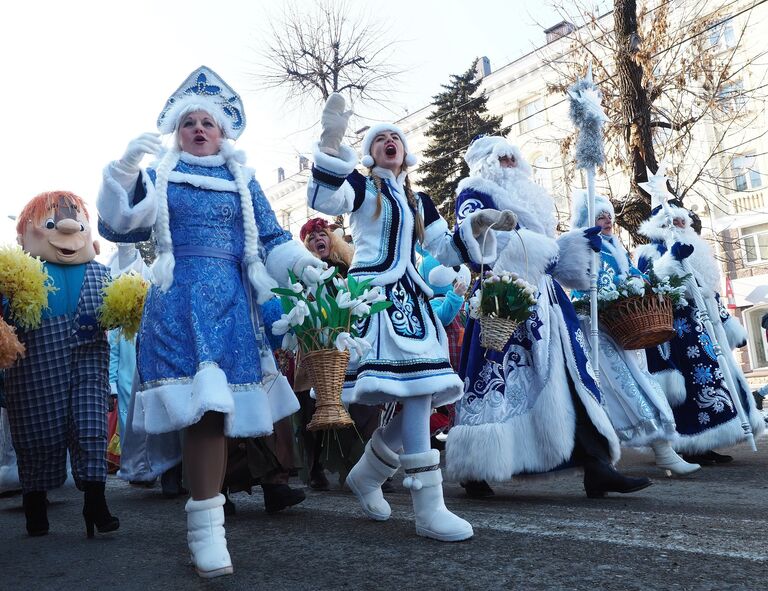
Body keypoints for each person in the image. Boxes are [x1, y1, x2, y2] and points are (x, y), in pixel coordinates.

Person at [96, 66, 323, 578]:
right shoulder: (161, 175)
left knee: (220, 417)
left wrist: (304, 265)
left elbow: (271, 237)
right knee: (203, 416)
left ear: (224, 132)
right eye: (189, 123)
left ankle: (210, 529)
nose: (199, 128)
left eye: (209, 122)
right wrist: (125, 172)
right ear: (177, 133)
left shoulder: (243, 179)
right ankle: (207, 534)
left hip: (234, 310)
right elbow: (117, 225)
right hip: (178, 305)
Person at [307, 94, 516, 542]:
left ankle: (369, 476)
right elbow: (328, 196)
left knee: (424, 394)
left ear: (405, 151)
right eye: (380, 138)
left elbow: (443, 247)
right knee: (418, 393)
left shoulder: (420, 200)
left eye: (394, 138)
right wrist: (329, 143)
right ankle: (426, 507)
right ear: (370, 152)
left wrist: (477, 227)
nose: (388, 142)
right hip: (378, 299)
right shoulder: (363, 189)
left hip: (413, 299)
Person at [445, 135, 653, 500]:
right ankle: (478, 465)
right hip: (505, 299)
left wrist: (574, 248)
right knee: (500, 382)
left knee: (573, 381)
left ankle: (597, 466)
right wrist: (542, 251)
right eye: (502, 160)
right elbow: (479, 246)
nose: (510, 166)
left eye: (513, 160)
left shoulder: (533, 200)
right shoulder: (473, 194)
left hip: (549, 302)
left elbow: (547, 255)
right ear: (486, 164)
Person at [4, 191, 118, 537]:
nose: (67, 228)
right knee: (36, 434)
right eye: (51, 224)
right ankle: (34, 503)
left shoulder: (101, 274)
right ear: (23, 237)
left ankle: (96, 503)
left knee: (91, 428)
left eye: (77, 224)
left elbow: (116, 314)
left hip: (88, 363)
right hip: (35, 366)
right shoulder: (16, 275)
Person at [569, 190, 699, 476]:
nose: (606, 221)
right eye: (599, 216)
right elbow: (577, 281)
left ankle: (663, 451)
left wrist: (659, 278)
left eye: (608, 216)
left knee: (641, 382)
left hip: (623, 323)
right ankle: (605, 461)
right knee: (620, 389)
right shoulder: (582, 245)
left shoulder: (614, 245)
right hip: (595, 328)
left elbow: (633, 277)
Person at [636, 195, 765, 464]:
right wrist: (670, 261)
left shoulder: (697, 249)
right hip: (673, 332)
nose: (680, 223)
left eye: (683, 219)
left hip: (704, 328)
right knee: (689, 386)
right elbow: (647, 289)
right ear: (662, 224)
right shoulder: (648, 254)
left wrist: (729, 325)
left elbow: (710, 294)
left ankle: (709, 441)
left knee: (714, 381)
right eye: (674, 220)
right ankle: (689, 444)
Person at [294, 217, 379, 490]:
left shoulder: (349, 268)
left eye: (322, 234)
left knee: (361, 405)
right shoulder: (303, 274)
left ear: (333, 239)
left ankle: (361, 467)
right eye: (311, 238)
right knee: (312, 408)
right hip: (315, 346)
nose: (318, 239)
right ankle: (315, 467)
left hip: (348, 347)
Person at [106, 244, 185, 496]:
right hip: (155, 358)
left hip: (182, 350)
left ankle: (179, 473)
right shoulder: (152, 275)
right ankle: (159, 471)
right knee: (159, 416)